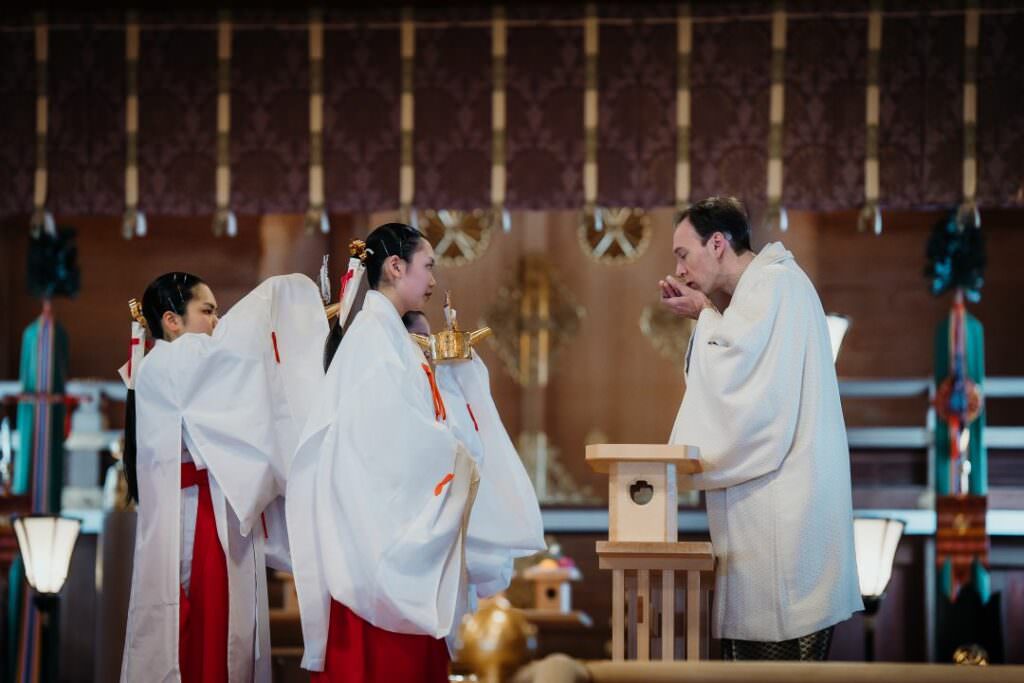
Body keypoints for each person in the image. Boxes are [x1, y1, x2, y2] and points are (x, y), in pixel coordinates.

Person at [288, 224, 544, 682]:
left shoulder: (387, 337)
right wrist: (456, 452)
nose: (432, 281)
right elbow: (388, 436)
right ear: (395, 266)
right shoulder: (371, 339)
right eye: (428, 267)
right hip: (378, 535)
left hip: (388, 522)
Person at [661, 197, 862, 661]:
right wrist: (707, 315)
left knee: (777, 663)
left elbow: (744, 390)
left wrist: (704, 316)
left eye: (683, 254)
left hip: (786, 518)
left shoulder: (775, 288)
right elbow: (737, 366)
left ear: (717, 244)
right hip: (774, 510)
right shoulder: (763, 291)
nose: (680, 269)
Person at [121, 272, 327, 682]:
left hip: (201, 506)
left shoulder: (165, 363)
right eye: (208, 311)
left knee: (215, 626)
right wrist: (280, 302)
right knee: (204, 630)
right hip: (195, 515)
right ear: (171, 320)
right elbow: (245, 365)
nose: (218, 323)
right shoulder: (173, 358)